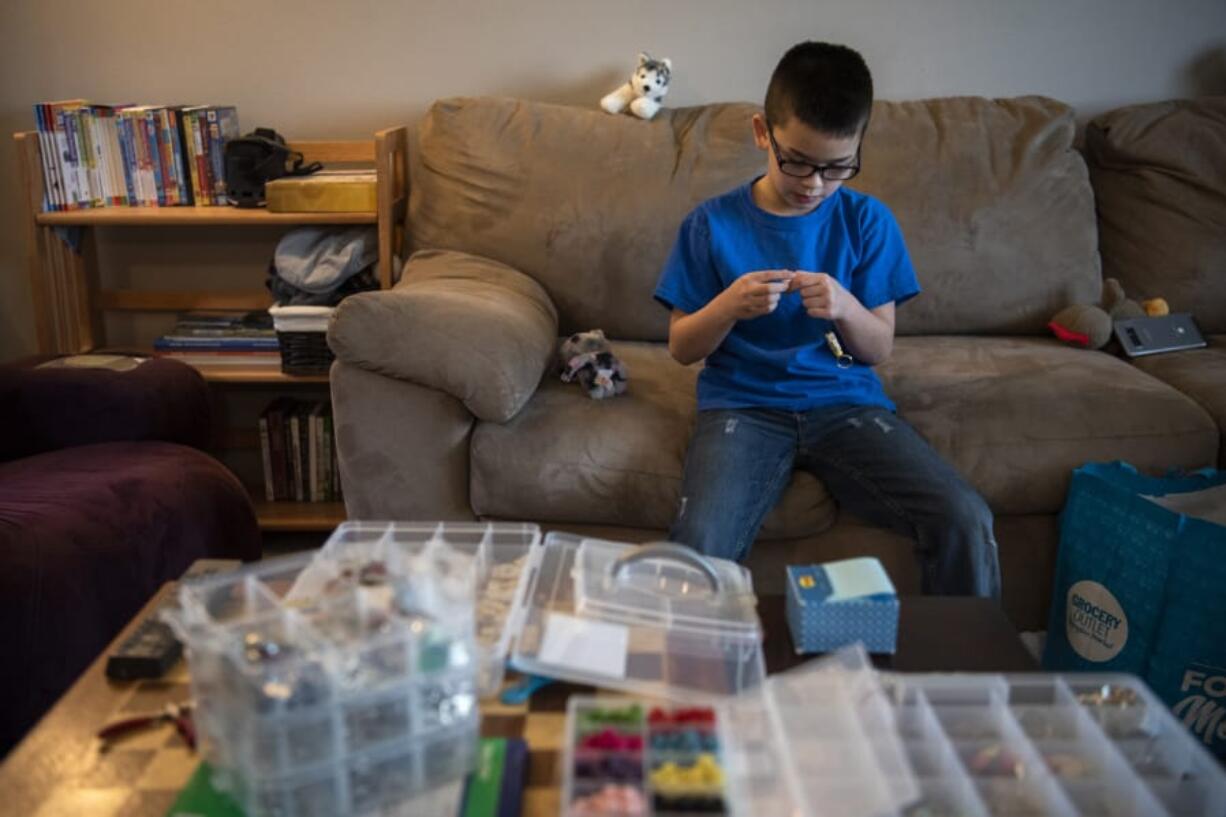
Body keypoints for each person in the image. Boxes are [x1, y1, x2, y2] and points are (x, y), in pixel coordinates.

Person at [653, 41, 1000, 598]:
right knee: (700, 542)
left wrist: (844, 306)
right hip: (743, 406)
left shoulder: (869, 221)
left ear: (859, 148)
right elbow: (681, 346)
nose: (813, 183)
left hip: (844, 403)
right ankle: (699, 677)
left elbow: (878, 347)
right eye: (797, 161)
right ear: (762, 133)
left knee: (963, 516)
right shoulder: (709, 225)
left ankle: (962, 666)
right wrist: (727, 307)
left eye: (837, 167)